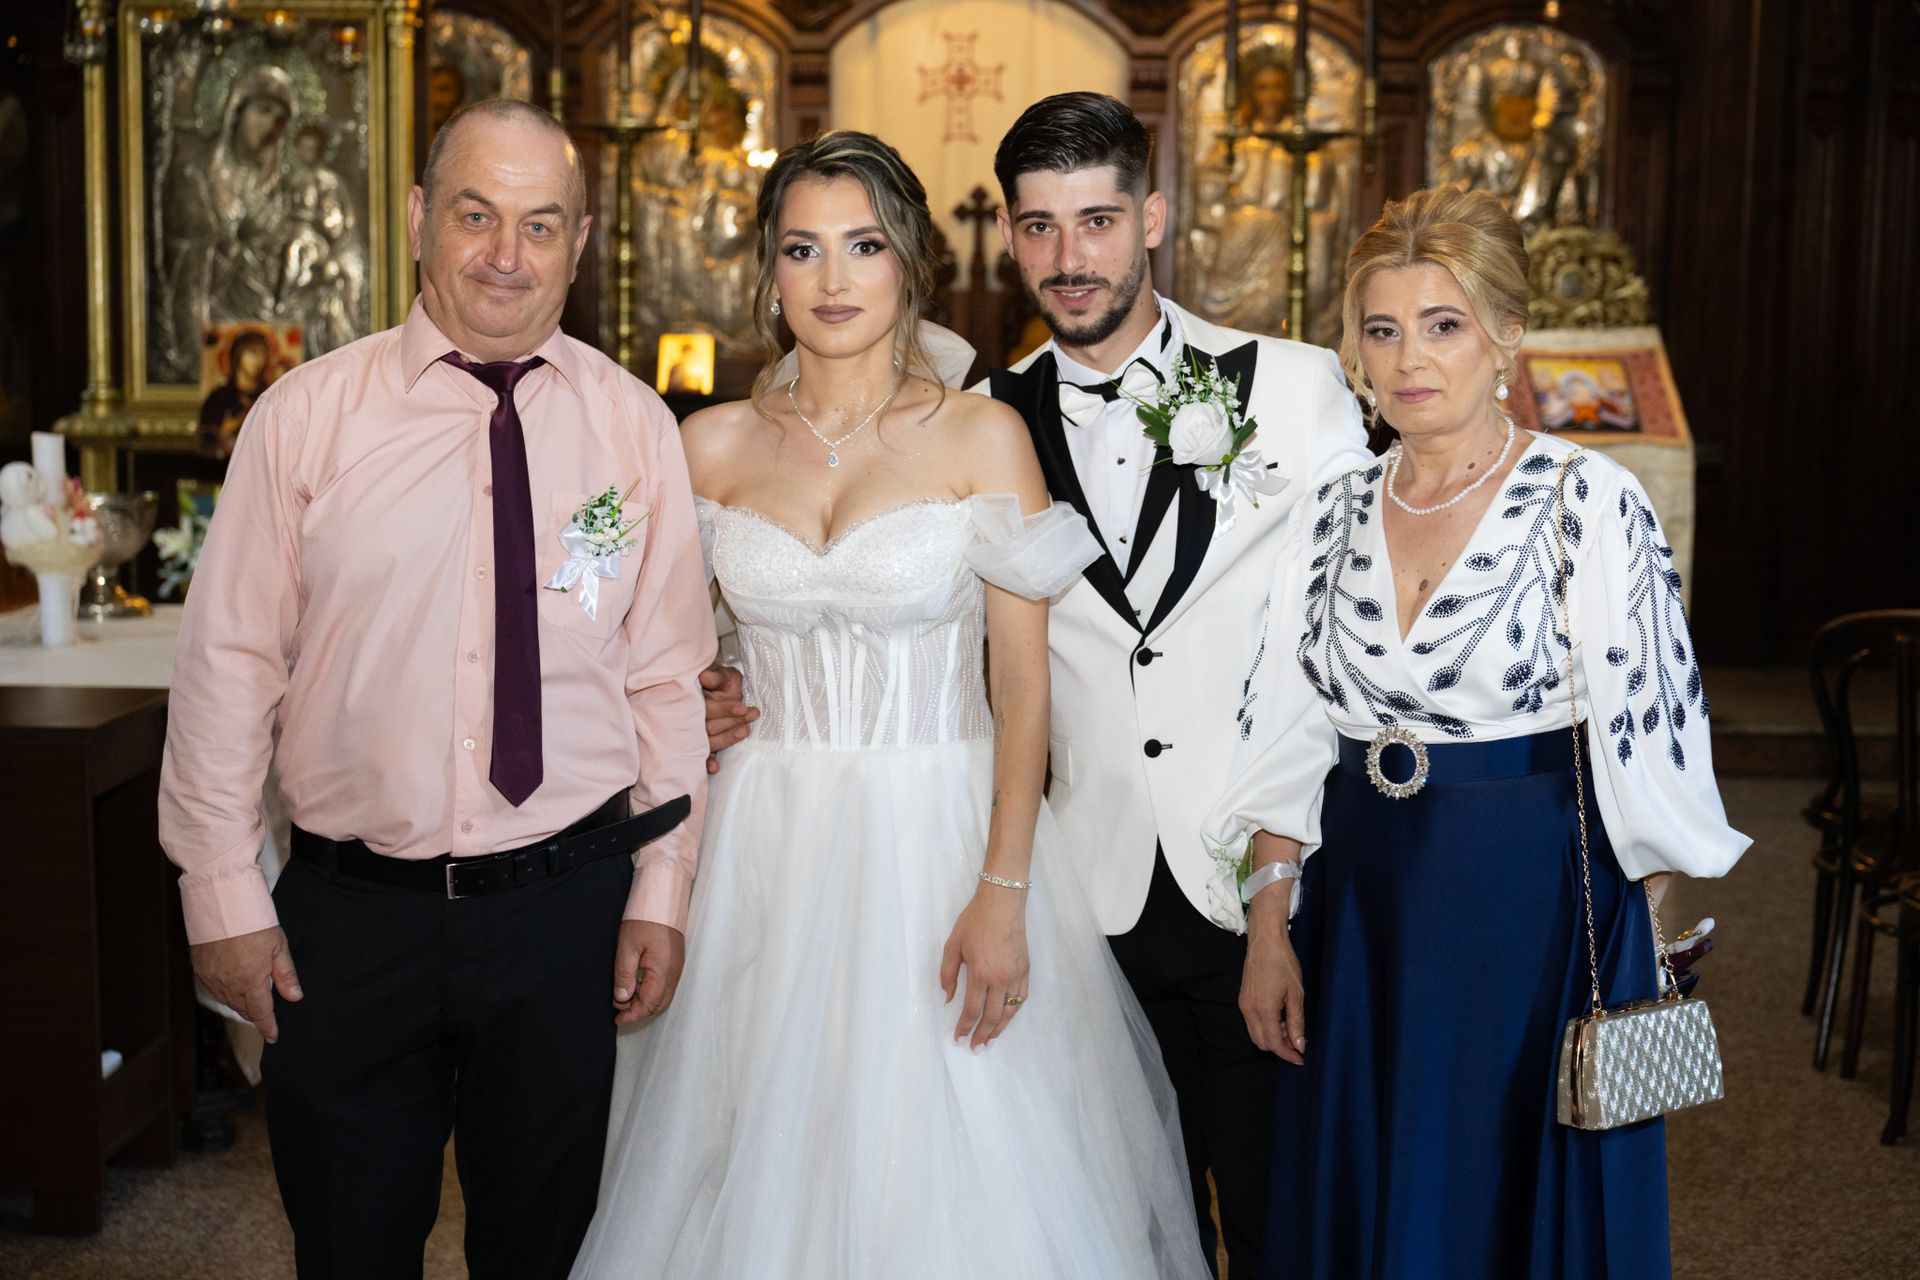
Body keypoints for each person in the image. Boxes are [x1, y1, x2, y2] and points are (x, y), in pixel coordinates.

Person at [573, 130, 1210, 1280]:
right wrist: (691, 695)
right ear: (769, 270)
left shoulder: (981, 435)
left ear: (909, 260)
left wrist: (1005, 889)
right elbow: (631, 640)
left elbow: (1023, 688)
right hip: (758, 844)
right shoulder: (705, 444)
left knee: (957, 1160)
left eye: (863, 246)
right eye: (802, 248)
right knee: (756, 1144)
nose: (832, 278)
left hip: (941, 836)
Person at [159, 98, 715, 1279]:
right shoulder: (305, 417)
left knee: (544, 1250)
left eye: (540, 223)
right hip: (352, 920)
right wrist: (219, 891)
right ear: (418, 217)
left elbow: (667, 678)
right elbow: (227, 665)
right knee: (349, 1245)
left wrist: (662, 886)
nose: (506, 253)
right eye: (475, 214)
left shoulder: (634, 427)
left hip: (565, 911)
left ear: (579, 241)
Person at [1201, 185, 1750, 1278]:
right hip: (1360, 913)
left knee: (1508, 1203)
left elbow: (1652, 743)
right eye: (1382, 328)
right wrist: (1269, 927)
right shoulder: (1328, 512)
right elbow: (1287, 737)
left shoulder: (1588, 500)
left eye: (1442, 324)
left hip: (1532, 908)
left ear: (1507, 334)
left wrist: (1625, 951)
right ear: (1355, 349)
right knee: (1368, 1193)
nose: (1410, 357)